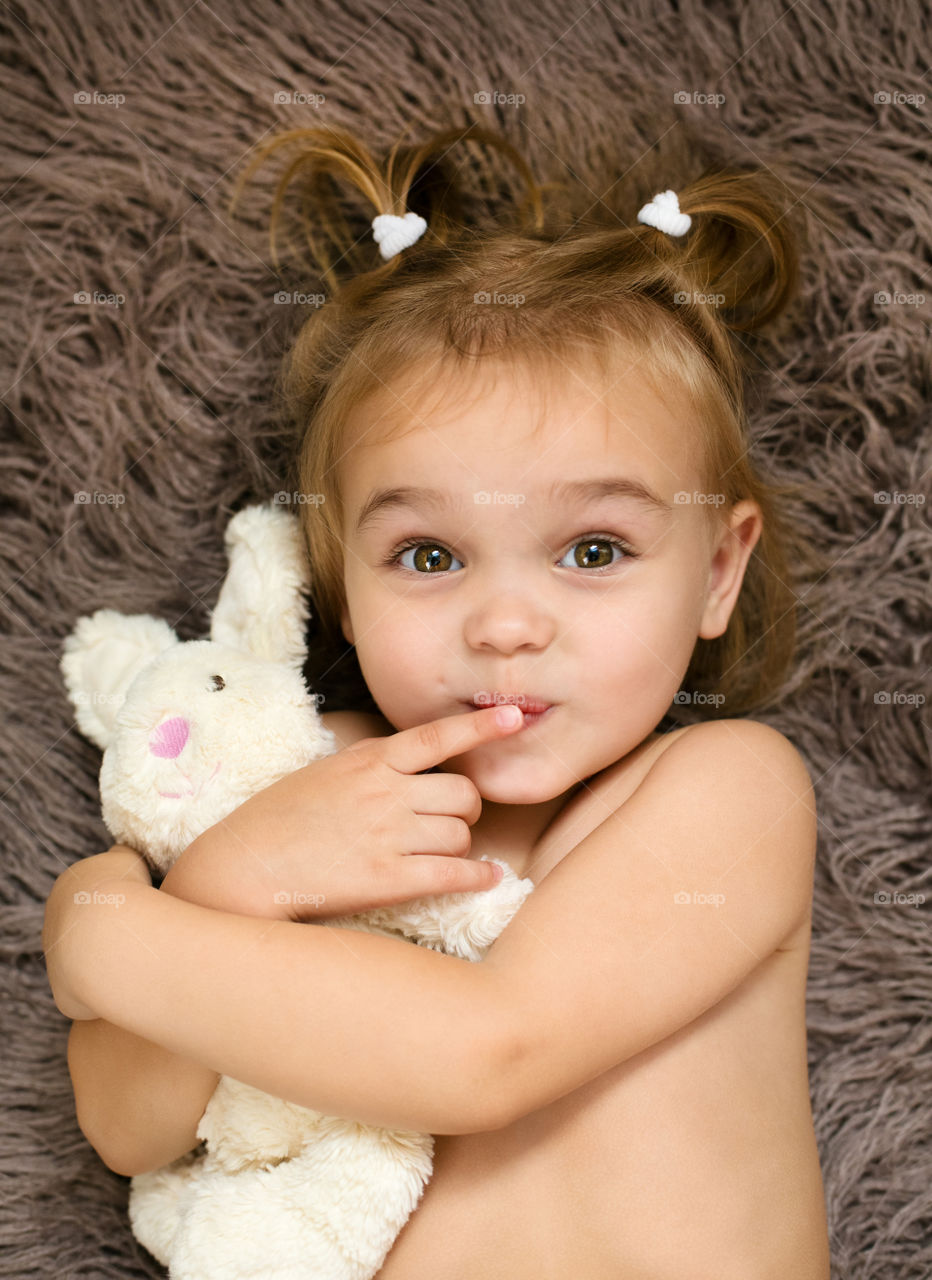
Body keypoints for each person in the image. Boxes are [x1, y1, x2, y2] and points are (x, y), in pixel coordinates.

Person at [43, 123, 832, 1277]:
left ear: (717, 568)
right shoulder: (309, 782)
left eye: (594, 547)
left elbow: (485, 1051)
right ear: (341, 591)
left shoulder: (725, 791)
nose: (505, 623)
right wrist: (226, 879)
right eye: (426, 556)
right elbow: (133, 1124)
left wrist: (100, 934)